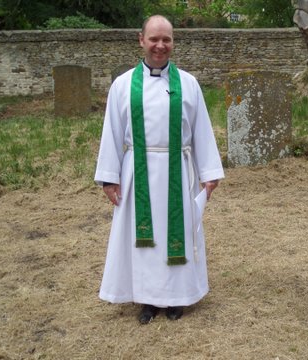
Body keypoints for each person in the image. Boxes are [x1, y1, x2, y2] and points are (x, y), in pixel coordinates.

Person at [94, 15, 224, 323]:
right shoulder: (122, 85)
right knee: (145, 243)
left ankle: (177, 297)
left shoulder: (189, 84)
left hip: (178, 170)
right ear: (141, 39)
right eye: (154, 39)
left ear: (173, 42)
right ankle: (148, 300)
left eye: (166, 39)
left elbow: (201, 129)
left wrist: (209, 172)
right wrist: (109, 178)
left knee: (174, 236)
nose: (160, 45)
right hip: (136, 172)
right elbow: (111, 131)